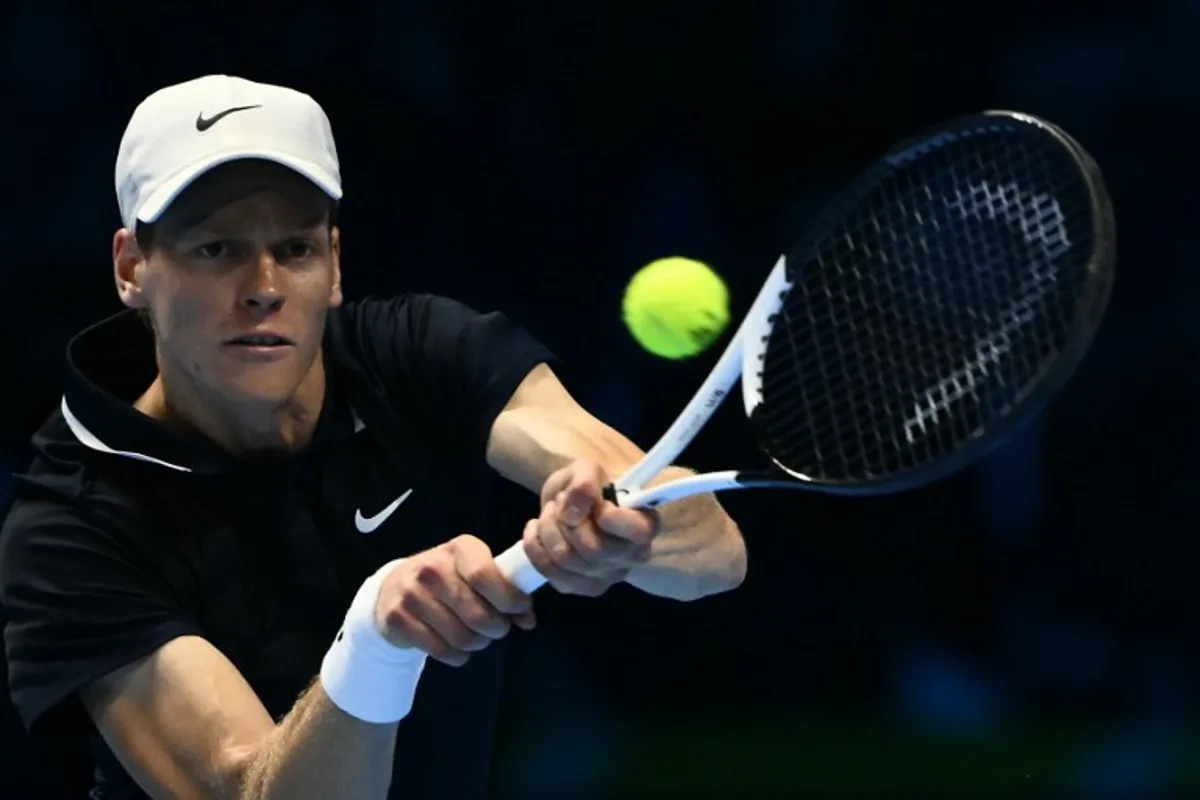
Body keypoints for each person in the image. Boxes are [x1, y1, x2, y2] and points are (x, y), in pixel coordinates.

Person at [0, 75, 745, 799]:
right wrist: (375, 641)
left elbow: (715, 556)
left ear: (333, 264)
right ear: (132, 268)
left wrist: (620, 531)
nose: (263, 285)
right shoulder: (70, 520)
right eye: (215, 249)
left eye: (294, 249)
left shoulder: (422, 356)